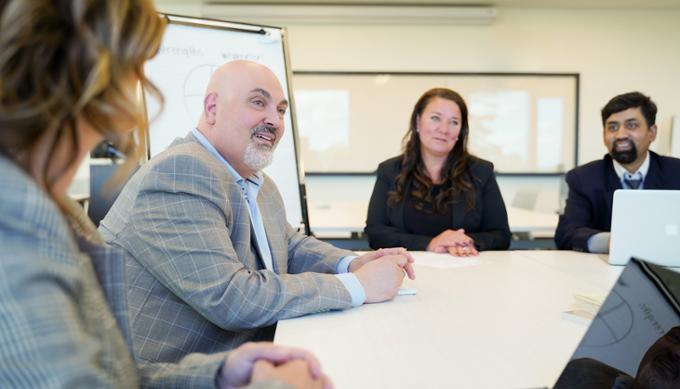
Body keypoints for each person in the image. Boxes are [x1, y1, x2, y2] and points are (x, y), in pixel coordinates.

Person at [0, 1, 332, 388]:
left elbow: (117, 375)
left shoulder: (57, 212)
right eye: (135, 70)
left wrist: (223, 375)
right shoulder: (17, 222)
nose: (139, 93)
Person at [98, 60, 416, 365]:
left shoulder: (257, 181)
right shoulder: (183, 171)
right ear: (212, 109)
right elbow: (232, 297)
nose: (275, 121)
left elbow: (290, 245)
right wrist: (357, 286)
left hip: (243, 355)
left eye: (280, 110)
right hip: (176, 372)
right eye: (257, 103)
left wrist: (352, 262)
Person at [364, 88, 511, 256]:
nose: (444, 129)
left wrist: (463, 243)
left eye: (454, 122)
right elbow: (375, 233)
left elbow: (501, 235)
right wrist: (430, 243)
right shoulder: (389, 171)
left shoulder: (481, 171)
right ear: (418, 122)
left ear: (460, 131)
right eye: (435, 118)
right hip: (406, 270)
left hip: (466, 269)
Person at [554, 92, 680, 252]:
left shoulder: (676, 173)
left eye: (631, 125)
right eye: (612, 127)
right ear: (604, 135)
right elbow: (566, 234)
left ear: (652, 132)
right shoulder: (583, 178)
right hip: (602, 270)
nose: (621, 135)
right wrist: (612, 242)